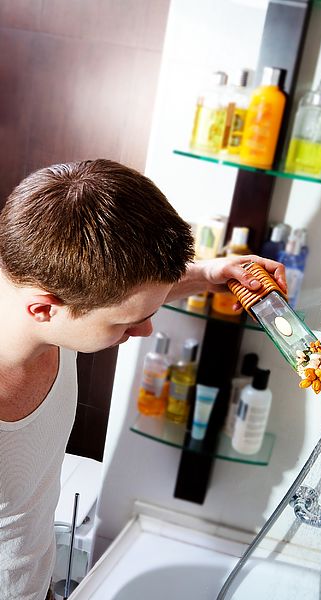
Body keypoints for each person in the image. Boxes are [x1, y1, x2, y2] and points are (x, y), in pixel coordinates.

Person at [0, 158, 286, 600]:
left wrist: (212, 274)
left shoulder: (55, 303)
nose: (145, 331)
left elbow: (125, 296)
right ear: (44, 308)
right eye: (126, 322)